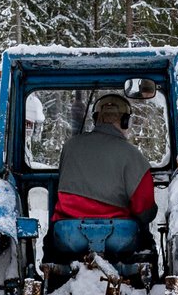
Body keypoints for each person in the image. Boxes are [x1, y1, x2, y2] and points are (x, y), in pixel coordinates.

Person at [53, 92, 157, 224]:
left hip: (67, 232)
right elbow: (145, 211)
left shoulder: (70, 145)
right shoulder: (133, 155)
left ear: (96, 119)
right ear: (126, 121)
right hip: (118, 236)